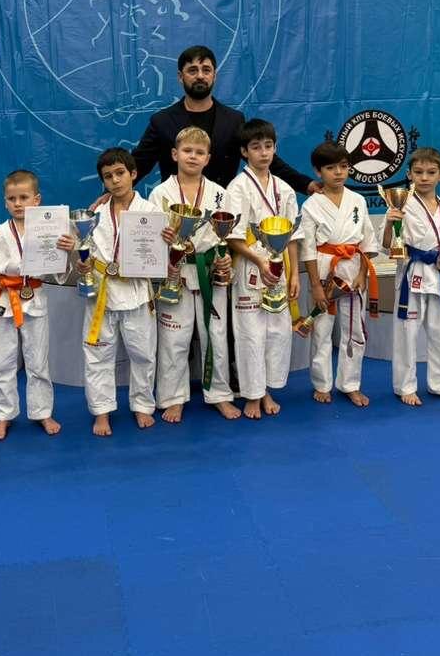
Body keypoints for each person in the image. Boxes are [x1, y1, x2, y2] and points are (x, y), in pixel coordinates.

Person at [0, 169, 73, 441]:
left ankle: (42, 412)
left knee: (38, 362)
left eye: (24, 197)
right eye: (12, 198)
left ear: (36, 199)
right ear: (5, 202)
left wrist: (67, 251)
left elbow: (58, 272)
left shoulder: (49, 231)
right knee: (2, 362)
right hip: (3, 301)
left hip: (34, 299)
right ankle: (4, 416)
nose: (18, 203)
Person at [132, 45, 319, 194]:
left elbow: (263, 158)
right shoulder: (162, 121)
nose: (200, 76)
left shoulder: (233, 120)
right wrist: (117, 190)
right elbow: (138, 164)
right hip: (175, 213)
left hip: (222, 212)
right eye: (192, 70)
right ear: (181, 77)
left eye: (206, 70)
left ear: (215, 75)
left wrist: (306, 185)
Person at [149, 127, 238, 422]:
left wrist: (225, 260)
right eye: (187, 151)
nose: (193, 156)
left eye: (199, 152)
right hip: (175, 272)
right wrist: (161, 240)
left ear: (208, 158)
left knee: (216, 335)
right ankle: (173, 397)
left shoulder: (220, 194)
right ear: (175, 154)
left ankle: (220, 394)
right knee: (174, 338)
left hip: (210, 271)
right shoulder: (160, 193)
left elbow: (226, 237)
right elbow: (150, 238)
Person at [382, 147, 440, 405]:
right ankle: (405, 387)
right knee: (406, 334)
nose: (424, 177)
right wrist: (390, 223)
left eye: (431, 172)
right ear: (409, 175)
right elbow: (387, 246)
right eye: (419, 172)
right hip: (411, 275)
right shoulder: (400, 203)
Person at [77, 148, 159, 437]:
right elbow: (85, 252)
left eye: (120, 173)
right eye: (108, 176)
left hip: (137, 293)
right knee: (98, 355)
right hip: (102, 293)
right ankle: (101, 412)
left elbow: (157, 257)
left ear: (133, 174)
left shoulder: (151, 212)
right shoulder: (93, 214)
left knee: (143, 354)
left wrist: (166, 242)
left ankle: (142, 405)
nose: (115, 180)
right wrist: (82, 263)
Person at [227, 119, 302, 419]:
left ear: (275, 148)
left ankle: (267, 389)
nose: (263, 153)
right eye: (256, 147)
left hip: (279, 267)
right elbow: (232, 237)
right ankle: (252, 394)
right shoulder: (237, 188)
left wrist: (294, 274)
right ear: (244, 152)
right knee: (250, 333)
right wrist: (259, 260)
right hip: (250, 266)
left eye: (268, 146)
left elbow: (293, 236)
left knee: (277, 333)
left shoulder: (285, 189)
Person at [298, 142, 379, 407]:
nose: (338, 173)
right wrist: (315, 285)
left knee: (355, 329)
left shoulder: (358, 200)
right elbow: (308, 248)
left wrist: (363, 274)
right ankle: (322, 384)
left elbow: (368, 240)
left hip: (353, 267)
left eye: (343, 167)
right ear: (318, 171)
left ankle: (350, 384)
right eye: (331, 168)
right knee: (321, 330)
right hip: (324, 268)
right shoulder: (311, 205)